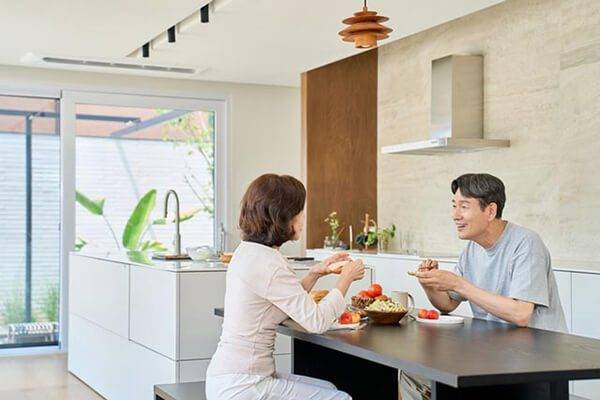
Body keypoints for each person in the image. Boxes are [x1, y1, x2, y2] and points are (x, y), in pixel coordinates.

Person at [399, 173, 567, 400]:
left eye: (464, 206)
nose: (455, 215)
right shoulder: (472, 248)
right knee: (413, 373)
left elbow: (521, 314)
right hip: (494, 354)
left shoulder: (526, 244)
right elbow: (448, 304)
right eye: (454, 206)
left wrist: (459, 284)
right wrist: (429, 284)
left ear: (490, 211)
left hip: (537, 360)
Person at [206, 173, 364, 400]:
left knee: (329, 388)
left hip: (231, 378)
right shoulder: (270, 263)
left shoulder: (249, 252)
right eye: (300, 211)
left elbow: (279, 303)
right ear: (282, 217)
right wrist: (346, 279)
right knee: (341, 398)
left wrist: (314, 274)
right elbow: (316, 321)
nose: (303, 217)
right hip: (245, 386)